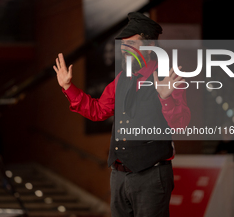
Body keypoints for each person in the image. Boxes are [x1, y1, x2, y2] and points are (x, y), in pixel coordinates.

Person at [53, 12, 191, 217]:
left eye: (132, 44)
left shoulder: (167, 78)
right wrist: (68, 87)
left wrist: (165, 98)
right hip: (119, 176)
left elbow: (180, 125)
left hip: (151, 176)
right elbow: (98, 110)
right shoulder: (122, 78)